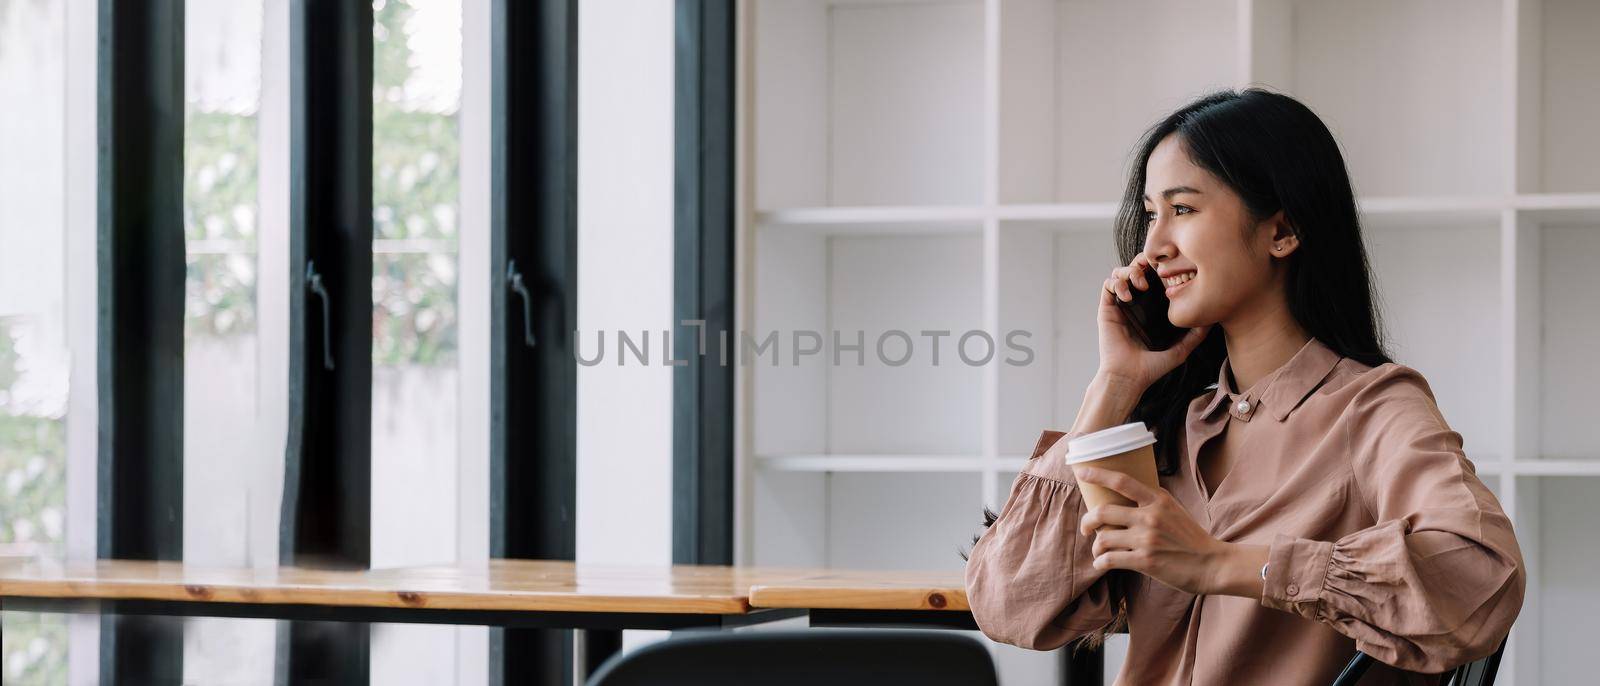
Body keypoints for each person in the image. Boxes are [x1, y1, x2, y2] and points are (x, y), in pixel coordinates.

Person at [962, 89, 1524, 685]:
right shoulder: (1172, 427)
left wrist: (1224, 565)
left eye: (1182, 210)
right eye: (1151, 214)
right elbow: (1007, 606)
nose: (1153, 247)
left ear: (1282, 230)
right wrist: (1114, 384)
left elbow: (1480, 577)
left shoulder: (1373, 409)